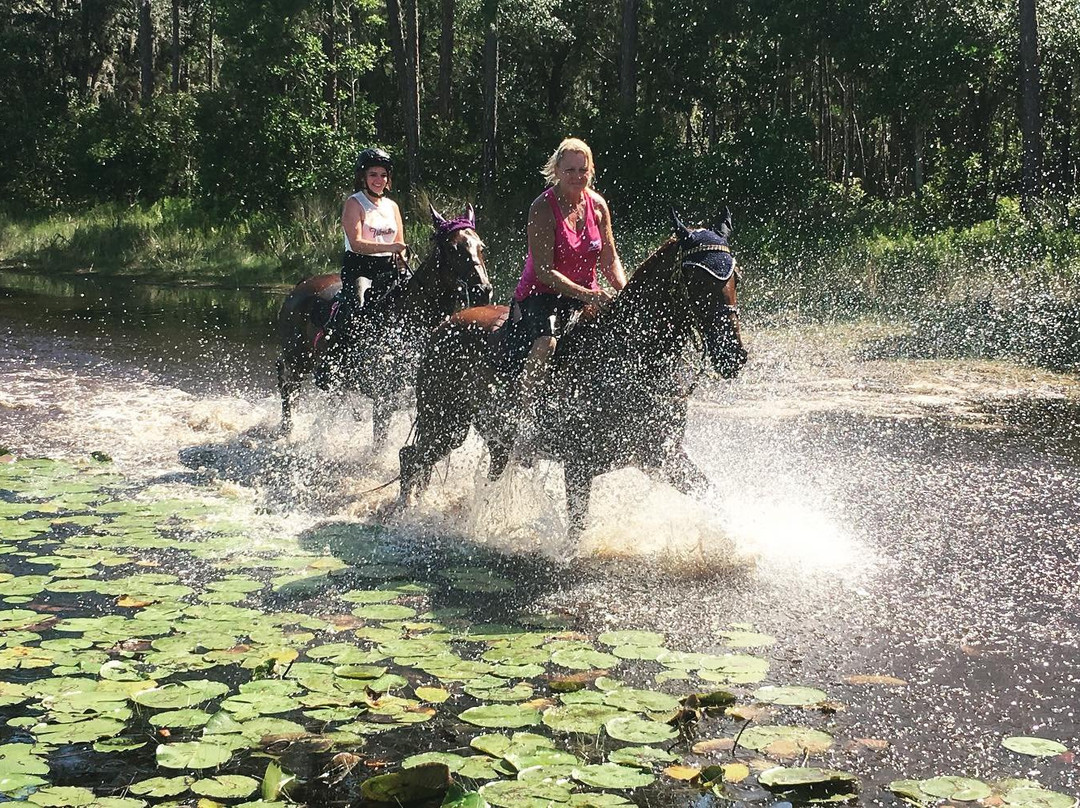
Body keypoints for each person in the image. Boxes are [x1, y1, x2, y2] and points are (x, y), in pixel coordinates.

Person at [511, 137, 627, 454]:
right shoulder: (542, 207)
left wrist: (625, 292)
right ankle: (526, 417)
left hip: (584, 293)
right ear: (557, 171)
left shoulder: (598, 205)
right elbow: (545, 270)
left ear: (591, 170)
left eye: (583, 169)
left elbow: (609, 259)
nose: (577, 176)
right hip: (541, 293)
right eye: (570, 170)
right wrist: (590, 294)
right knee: (547, 343)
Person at [340, 147, 408, 311]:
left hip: (388, 268)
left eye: (383, 175)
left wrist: (402, 258)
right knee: (358, 305)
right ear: (363, 177)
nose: (379, 180)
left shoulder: (392, 206)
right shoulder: (354, 203)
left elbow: (400, 243)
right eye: (373, 175)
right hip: (360, 269)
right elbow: (356, 244)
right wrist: (390, 247)